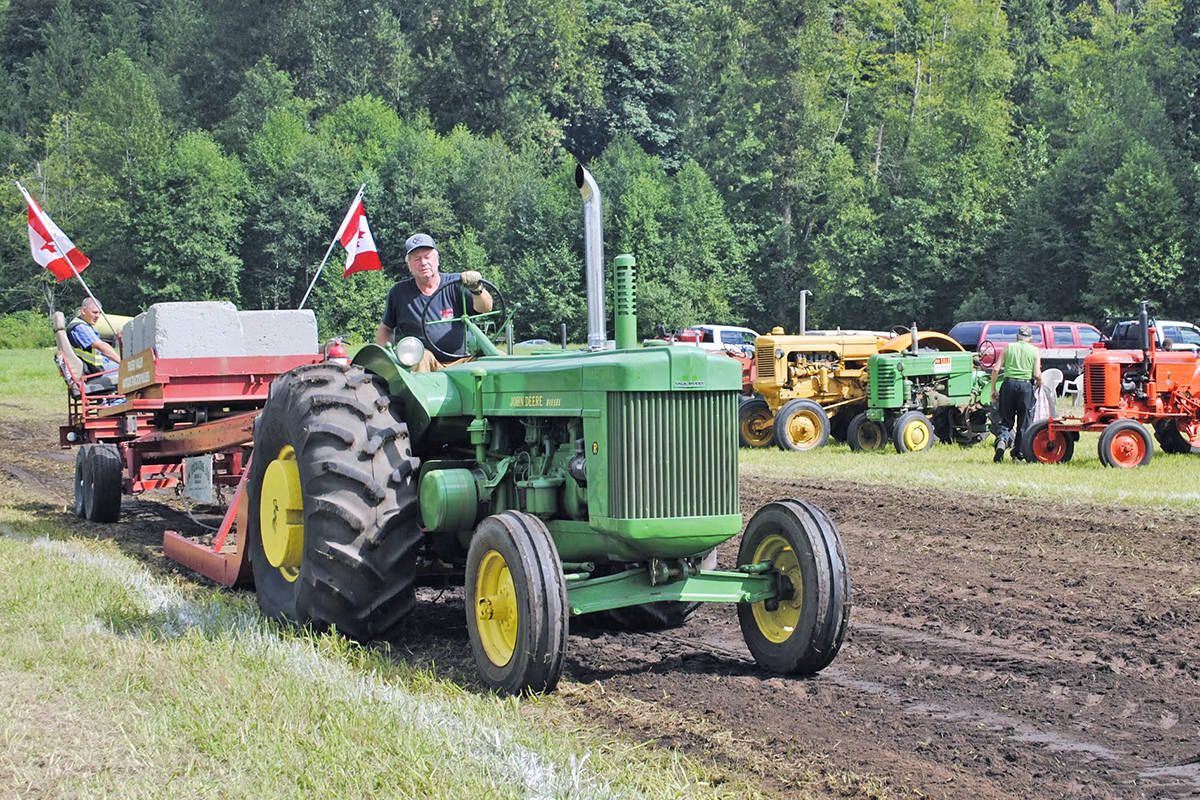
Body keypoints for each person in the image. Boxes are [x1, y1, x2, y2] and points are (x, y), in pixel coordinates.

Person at [376, 233, 494, 372]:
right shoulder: (399, 293)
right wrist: (386, 357)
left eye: (427, 257)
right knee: (421, 357)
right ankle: (420, 393)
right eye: (417, 259)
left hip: (465, 359)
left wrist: (477, 289)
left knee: (500, 361)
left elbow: (486, 308)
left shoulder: (457, 283)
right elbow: (387, 328)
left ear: (437, 259)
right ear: (409, 265)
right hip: (425, 362)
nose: (423, 263)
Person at [989, 324, 1042, 462]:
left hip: (1008, 385)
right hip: (1025, 387)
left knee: (1006, 420)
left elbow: (995, 369)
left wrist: (993, 389)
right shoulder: (1035, 351)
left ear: (1017, 336)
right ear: (1030, 338)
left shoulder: (1008, 347)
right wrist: (1040, 385)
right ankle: (1018, 454)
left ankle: (1002, 441)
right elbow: (1037, 374)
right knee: (1024, 423)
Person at [66, 297, 121, 393]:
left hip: (97, 368)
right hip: (96, 371)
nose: (98, 316)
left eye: (99, 313)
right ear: (83, 311)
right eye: (94, 312)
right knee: (134, 370)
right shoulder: (80, 327)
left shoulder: (84, 325)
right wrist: (122, 362)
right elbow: (101, 346)